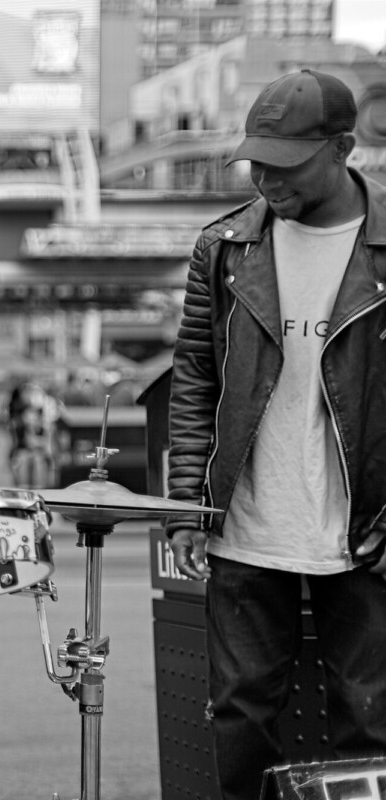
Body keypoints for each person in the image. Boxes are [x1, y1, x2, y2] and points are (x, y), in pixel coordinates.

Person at [166, 69, 386, 800]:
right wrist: (189, 505)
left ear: (344, 148)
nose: (267, 178)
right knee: (239, 721)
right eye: (257, 160)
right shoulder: (225, 246)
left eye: (287, 162)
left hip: (365, 532)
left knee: (370, 723)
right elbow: (195, 375)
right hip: (246, 529)